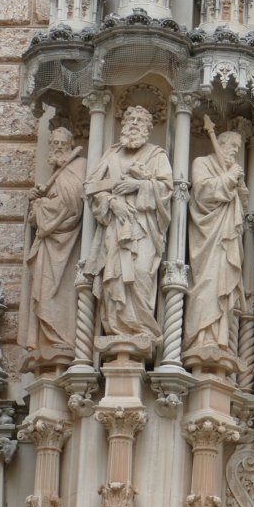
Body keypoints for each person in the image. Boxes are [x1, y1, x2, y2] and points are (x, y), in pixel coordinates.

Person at [84, 105, 173, 341]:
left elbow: (166, 189)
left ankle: (140, 327)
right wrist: (112, 202)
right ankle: (117, 328)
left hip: (144, 227)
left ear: (148, 128)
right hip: (115, 226)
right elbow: (92, 189)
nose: (134, 123)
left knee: (141, 271)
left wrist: (139, 185)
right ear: (123, 124)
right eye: (130, 118)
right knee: (114, 277)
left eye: (139, 120)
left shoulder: (157, 156)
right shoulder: (111, 155)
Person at [184, 121, 247, 354]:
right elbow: (202, 192)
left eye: (238, 148)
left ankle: (220, 338)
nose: (235, 151)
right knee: (207, 284)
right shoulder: (202, 163)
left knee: (223, 284)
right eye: (232, 146)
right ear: (220, 144)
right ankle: (201, 337)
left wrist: (240, 187)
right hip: (207, 237)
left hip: (227, 237)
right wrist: (229, 178)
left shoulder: (230, 169)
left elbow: (242, 207)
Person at [23, 127, 86, 356]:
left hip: (67, 244)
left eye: (62, 143)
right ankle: (47, 341)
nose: (58, 147)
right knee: (44, 290)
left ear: (71, 145)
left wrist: (42, 207)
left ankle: (63, 338)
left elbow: (73, 204)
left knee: (61, 290)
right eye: (54, 143)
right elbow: (43, 213)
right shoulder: (56, 171)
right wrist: (35, 201)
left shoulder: (78, 166)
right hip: (48, 243)